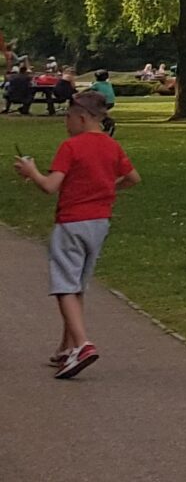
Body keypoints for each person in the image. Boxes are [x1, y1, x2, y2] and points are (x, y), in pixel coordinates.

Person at [13, 90, 138, 378]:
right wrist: (106, 190)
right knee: (77, 284)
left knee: (64, 286)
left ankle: (82, 344)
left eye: (68, 116)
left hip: (71, 222)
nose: (65, 122)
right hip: (99, 222)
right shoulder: (111, 146)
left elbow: (50, 186)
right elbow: (132, 178)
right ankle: (67, 347)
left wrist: (30, 171)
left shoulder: (71, 147)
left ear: (82, 118)